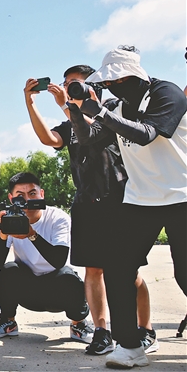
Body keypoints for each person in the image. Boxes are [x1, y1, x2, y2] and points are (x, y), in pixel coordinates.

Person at [24, 69, 154, 356]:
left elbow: (91, 134)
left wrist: (70, 105)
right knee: (92, 271)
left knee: (129, 272)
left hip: (120, 201)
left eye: (75, 82)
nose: (68, 86)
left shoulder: (111, 114)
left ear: (93, 85)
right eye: (67, 82)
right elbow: (49, 139)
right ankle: (101, 331)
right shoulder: (69, 122)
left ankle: (146, 329)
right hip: (86, 202)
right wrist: (30, 103)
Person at [79, 46, 186, 369]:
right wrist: (75, 108)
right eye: (106, 83)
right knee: (118, 268)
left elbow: (148, 134)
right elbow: (87, 137)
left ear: (134, 77)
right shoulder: (115, 105)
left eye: (115, 81)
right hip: (140, 198)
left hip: (181, 194)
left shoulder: (165, 93)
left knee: (185, 274)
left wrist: (101, 113)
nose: (110, 87)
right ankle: (129, 346)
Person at [0, 172, 92, 343]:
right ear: (11, 199)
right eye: (20, 196)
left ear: (42, 194)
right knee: (8, 271)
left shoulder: (58, 218)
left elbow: (58, 260)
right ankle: (7, 322)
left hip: (58, 288)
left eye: (32, 194)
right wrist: (3, 233)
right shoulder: (11, 218)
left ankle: (78, 324)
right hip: (28, 290)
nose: (27, 200)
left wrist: (32, 234)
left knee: (69, 277)